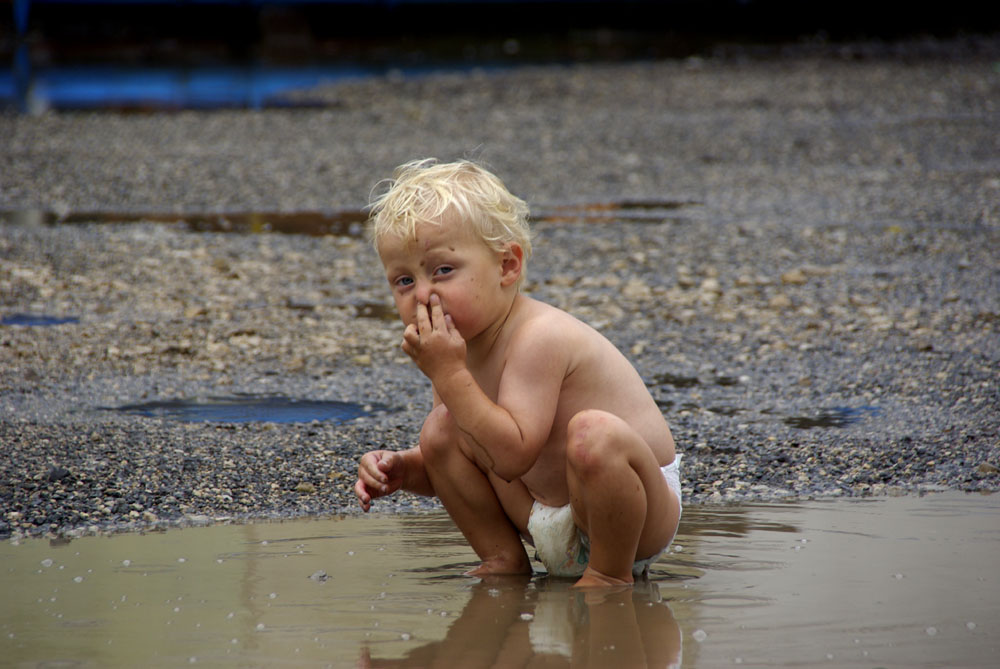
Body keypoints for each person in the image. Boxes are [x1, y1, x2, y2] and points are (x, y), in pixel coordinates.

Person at [354, 158, 682, 588]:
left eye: (443, 270)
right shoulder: (452, 353)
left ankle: (609, 576)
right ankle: (502, 559)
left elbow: (513, 455)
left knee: (593, 434)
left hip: (632, 516)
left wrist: (451, 375)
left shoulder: (538, 336)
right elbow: (473, 452)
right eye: (403, 281)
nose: (423, 294)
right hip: (543, 513)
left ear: (507, 266)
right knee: (440, 429)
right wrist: (404, 470)